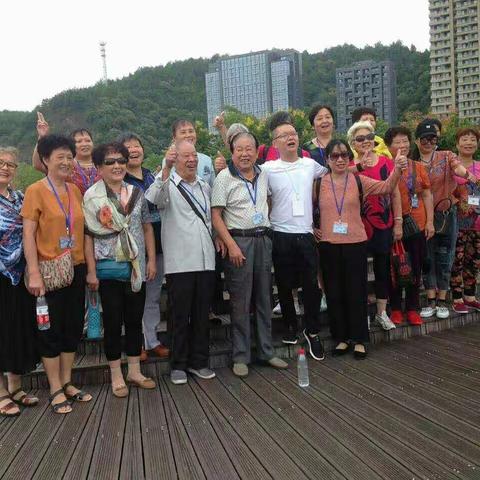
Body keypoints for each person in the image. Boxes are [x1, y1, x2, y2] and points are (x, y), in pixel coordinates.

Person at [316, 139, 407, 359]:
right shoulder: (319, 183)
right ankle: (341, 338)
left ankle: (360, 339)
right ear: (327, 159)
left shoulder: (359, 181)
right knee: (334, 293)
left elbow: (386, 187)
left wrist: (397, 169)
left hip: (355, 242)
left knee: (357, 292)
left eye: (344, 155)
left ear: (349, 157)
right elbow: (307, 208)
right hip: (328, 243)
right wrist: (312, 227)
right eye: (334, 156)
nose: (339, 159)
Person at [22, 134, 92, 414]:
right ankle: (54, 388)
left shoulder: (75, 190)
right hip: (48, 272)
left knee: (72, 327)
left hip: (75, 268)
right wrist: (34, 272)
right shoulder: (35, 191)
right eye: (59, 156)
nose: (65, 161)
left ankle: (67, 382)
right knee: (49, 329)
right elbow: (28, 235)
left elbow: (82, 231)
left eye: (68, 156)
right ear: (46, 160)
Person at [211, 132, 288, 377]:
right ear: (232, 152)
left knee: (264, 297)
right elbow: (216, 215)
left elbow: (268, 202)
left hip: (263, 239)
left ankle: (267, 351)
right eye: (239, 150)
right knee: (240, 301)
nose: (244, 154)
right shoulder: (224, 178)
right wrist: (230, 244)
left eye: (249, 149)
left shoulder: (264, 173)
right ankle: (241, 356)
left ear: (256, 151)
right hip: (239, 241)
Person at [83, 142, 157, 398]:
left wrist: (151, 261)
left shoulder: (136, 192)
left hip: (136, 267)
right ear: (98, 167)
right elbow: (89, 236)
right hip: (107, 269)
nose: (117, 166)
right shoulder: (92, 196)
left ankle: (134, 370)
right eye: (110, 161)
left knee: (134, 320)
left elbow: (147, 227)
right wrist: (91, 271)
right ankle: (116, 374)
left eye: (121, 161)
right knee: (113, 323)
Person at [146, 140, 217, 385]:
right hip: (180, 263)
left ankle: (199, 362)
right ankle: (178, 365)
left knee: (201, 315)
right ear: (175, 159)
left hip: (206, 260)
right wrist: (164, 168)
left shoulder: (205, 187)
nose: (191, 160)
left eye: (194, 156)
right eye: (185, 156)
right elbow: (153, 198)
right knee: (179, 316)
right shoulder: (167, 185)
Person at [261, 119, 328, 360]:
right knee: (285, 285)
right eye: (284, 135)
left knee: (311, 286)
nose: (291, 137)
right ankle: (290, 325)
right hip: (280, 234)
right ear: (275, 143)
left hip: (306, 233)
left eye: (294, 133)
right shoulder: (267, 169)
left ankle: (312, 330)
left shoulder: (310, 164)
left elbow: (336, 171)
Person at [411, 121, 476, 319]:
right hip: (423, 216)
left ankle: (441, 300)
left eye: (433, 138)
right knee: (427, 258)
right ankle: (430, 300)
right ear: (417, 140)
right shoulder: (413, 163)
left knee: (446, 257)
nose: (429, 142)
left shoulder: (446, 156)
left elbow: (457, 168)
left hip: (447, 214)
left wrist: (471, 177)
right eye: (425, 139)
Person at [119, 132, 169, 361]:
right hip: (133, 248)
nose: (133, 149)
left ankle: (152, 340)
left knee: (153, 295)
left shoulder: (152, 176)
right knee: (133, 297)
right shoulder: (120, 181)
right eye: (128, 147)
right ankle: (135, 343)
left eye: (137, 145)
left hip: (159, 244)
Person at [348, 121, 401, 331]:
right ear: (352, 142)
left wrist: (398, 222)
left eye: (369, 137)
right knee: (357, 270)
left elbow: (394, 191)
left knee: (382, 268)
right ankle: (362, 314)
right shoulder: (348, 163)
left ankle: (381, 312)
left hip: (383, 222)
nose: (366, 142)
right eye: (360, 139)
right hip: (357, 224)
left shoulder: (386, 163)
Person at [0, 147, 39, 417]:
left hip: (19, 272)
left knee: (17, 328)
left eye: (11, 165)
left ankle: (15, 385)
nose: (6, 168)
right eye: (1, 163)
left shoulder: (20, 198)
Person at [384, 127, 434, 325]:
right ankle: (395, 308)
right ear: (388, 147)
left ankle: (412, 308)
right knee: (395, 267)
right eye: (397, 142)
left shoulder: (418, 167)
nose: (402, 145)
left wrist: (430, 221)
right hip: (392, 225)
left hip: (417, 225)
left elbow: (427, 195)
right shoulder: (385, 167)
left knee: (416, 266)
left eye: (405, 141)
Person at [32, 113, 100, 195]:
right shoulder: (66, 164)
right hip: (71, 206)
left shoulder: (102, 164)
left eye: (88, 140)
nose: (84, 144)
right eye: (79, 141)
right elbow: (38, 165)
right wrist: (42, 137)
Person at [450, 128, 480, 313]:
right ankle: (456, 297)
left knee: (474, 260)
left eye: (473, 140)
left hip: (477, 223)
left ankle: (470, 296)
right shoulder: (452, 166)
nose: (469, 143)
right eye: (464, 139)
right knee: (456, 259)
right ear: (457, 144)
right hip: (456, 222)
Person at [163, 119, 215, 187]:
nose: (188, 135)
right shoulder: (169, 161)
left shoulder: (207, 160)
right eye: (183, 132)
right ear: (174, 138)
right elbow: (164, 189)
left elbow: (213, 189)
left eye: (191, 131)